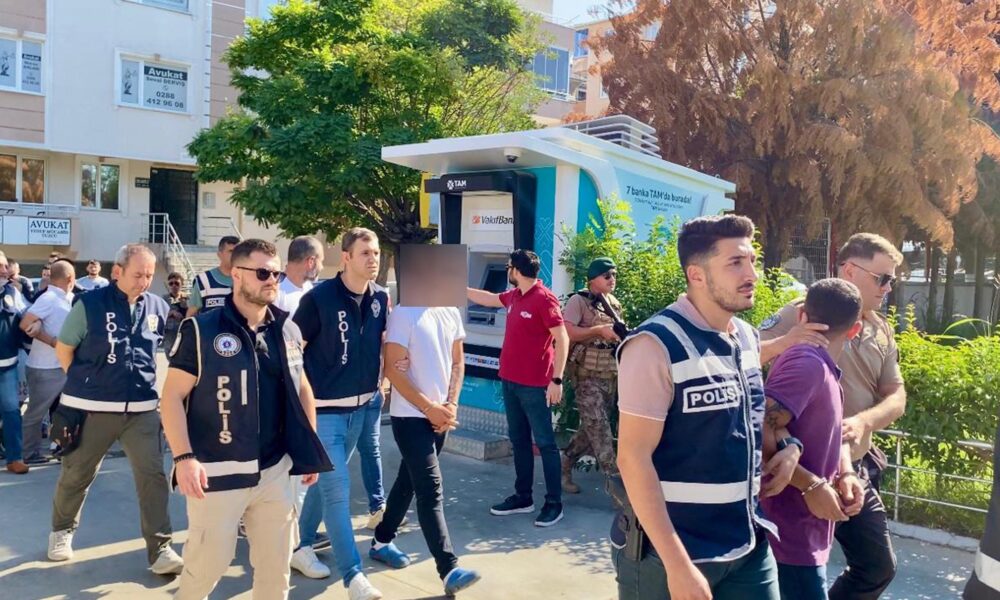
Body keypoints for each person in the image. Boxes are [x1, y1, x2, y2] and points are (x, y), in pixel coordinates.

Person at [613, 215, 796, 600]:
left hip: (747, 542)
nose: (752, 274)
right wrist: (677, 566)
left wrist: (787, 450)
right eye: (735, 263)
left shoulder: (746, 338)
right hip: (670, 555)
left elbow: (742, 420)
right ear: (696, 274)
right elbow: (632, 458)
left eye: (751, 261)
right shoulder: (654, 345)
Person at [161, 238, 333, 600]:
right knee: (205, 568)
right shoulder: (201, 330)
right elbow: (172, 397)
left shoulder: (287, 329)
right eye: (263, 273)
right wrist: (184, 458)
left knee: (275, 573)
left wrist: (310, 445)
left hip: (275, 471)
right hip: (216, 474)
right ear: (236, 275)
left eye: (277, 273)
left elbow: (303, 386)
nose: (272, 280)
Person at [760, 233, 906, 599]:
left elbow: (897, 396)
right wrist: (799, 464)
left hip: (848, 463)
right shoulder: (800, 314)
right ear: (850, 270)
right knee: (796, 565)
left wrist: (863, 423)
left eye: (892, 280)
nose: (888, 287)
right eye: (882, 278)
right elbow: (745, 368)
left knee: (877, 566)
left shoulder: (881, 329)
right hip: (797, 473)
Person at [47, 244, 183, 575]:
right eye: (138, 275)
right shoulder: (90, 304)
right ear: (118, 272)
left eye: (149, 275)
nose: (144, 282)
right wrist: (86, 383)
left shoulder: (157, 306)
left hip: (142, 409)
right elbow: (65, 348)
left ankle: (160, 548)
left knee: (152, 477)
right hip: (91, 408)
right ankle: (62, 531)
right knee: (77, 473)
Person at [291, 227, 388, 600]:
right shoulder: (319, 299)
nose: (373, 258)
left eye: (376, 252)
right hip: (326, 414)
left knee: (323, 485)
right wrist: (299, 405)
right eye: (365, 252)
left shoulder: (381, 298)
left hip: (362, 411)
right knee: (338, 492)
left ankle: (301, 546)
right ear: (345, 257)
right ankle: (354, 576)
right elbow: (292, 350)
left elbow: (381, 345)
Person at [760, 278, 866, 600]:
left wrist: (846, 473)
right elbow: (757, 424)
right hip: (787, 537)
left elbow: (827, 431)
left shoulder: (819, 364)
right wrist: (810, 485)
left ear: (802, 315)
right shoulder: (807, 363)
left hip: (803, 536)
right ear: (855, 329)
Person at [368, 304, 481, 595]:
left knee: (408, 482)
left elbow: (457, 362)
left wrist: (451, 404)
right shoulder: (404, 313)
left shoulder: (450, 311)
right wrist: (429, 408)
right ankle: (449, 568)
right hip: (410, 417)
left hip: (442, 416)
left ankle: (381, 541)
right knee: (430, 489)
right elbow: (392, 369)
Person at [467, 249, 570, 527]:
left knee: (545, 444)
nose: (507, 272)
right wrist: (457, 288)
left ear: (516, 270)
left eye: (508, 267)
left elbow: (562, 338)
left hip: (535, 386)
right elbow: (489, 298)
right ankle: (523, 497)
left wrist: (556, 380)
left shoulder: (544, 299)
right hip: (510, 381)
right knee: (519, 441)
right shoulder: (514, 296)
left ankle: (554, 504)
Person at [561, 256, 624, 494]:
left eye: (614, 275)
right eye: (607, 275)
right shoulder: (579, 301)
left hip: (609, 377)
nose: (612, 279)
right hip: (587, 378)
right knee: (600, 430)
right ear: (592, 279)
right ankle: (619, 491)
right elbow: (568, 331)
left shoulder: (613, 303)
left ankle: (564, 465)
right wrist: (598, 330)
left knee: (590, 431)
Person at [19, 260, 75, 465]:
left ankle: (61, 447)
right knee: (36, 413)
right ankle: (29, 453)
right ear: (70, 278)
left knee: (64, 411)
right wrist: (52, 341)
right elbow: (25, 324)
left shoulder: (66, 298)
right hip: (44, 367)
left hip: (61, 366)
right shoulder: (49, 298)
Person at [0, 251, 28, 474]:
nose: (4, 270)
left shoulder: (12, 292)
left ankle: (14, 458)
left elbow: (27, 314)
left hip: (6, 367)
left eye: (4, 266)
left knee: (11, 411)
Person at [187, 235, 240, 316]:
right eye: (231, 251)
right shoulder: (203, 280)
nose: (235, 255)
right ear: (219, 254)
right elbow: (191, 313)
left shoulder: (247, 280)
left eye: (237, 252)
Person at [161, 271, 188, 352]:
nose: (174, 286)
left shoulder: (188, 299)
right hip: (169, 333)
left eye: (176, 283)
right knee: (170, 355)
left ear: (182, 284)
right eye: (171, 283)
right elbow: (159, 314)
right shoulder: (164, 299)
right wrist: (171, 313)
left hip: (184, 332)